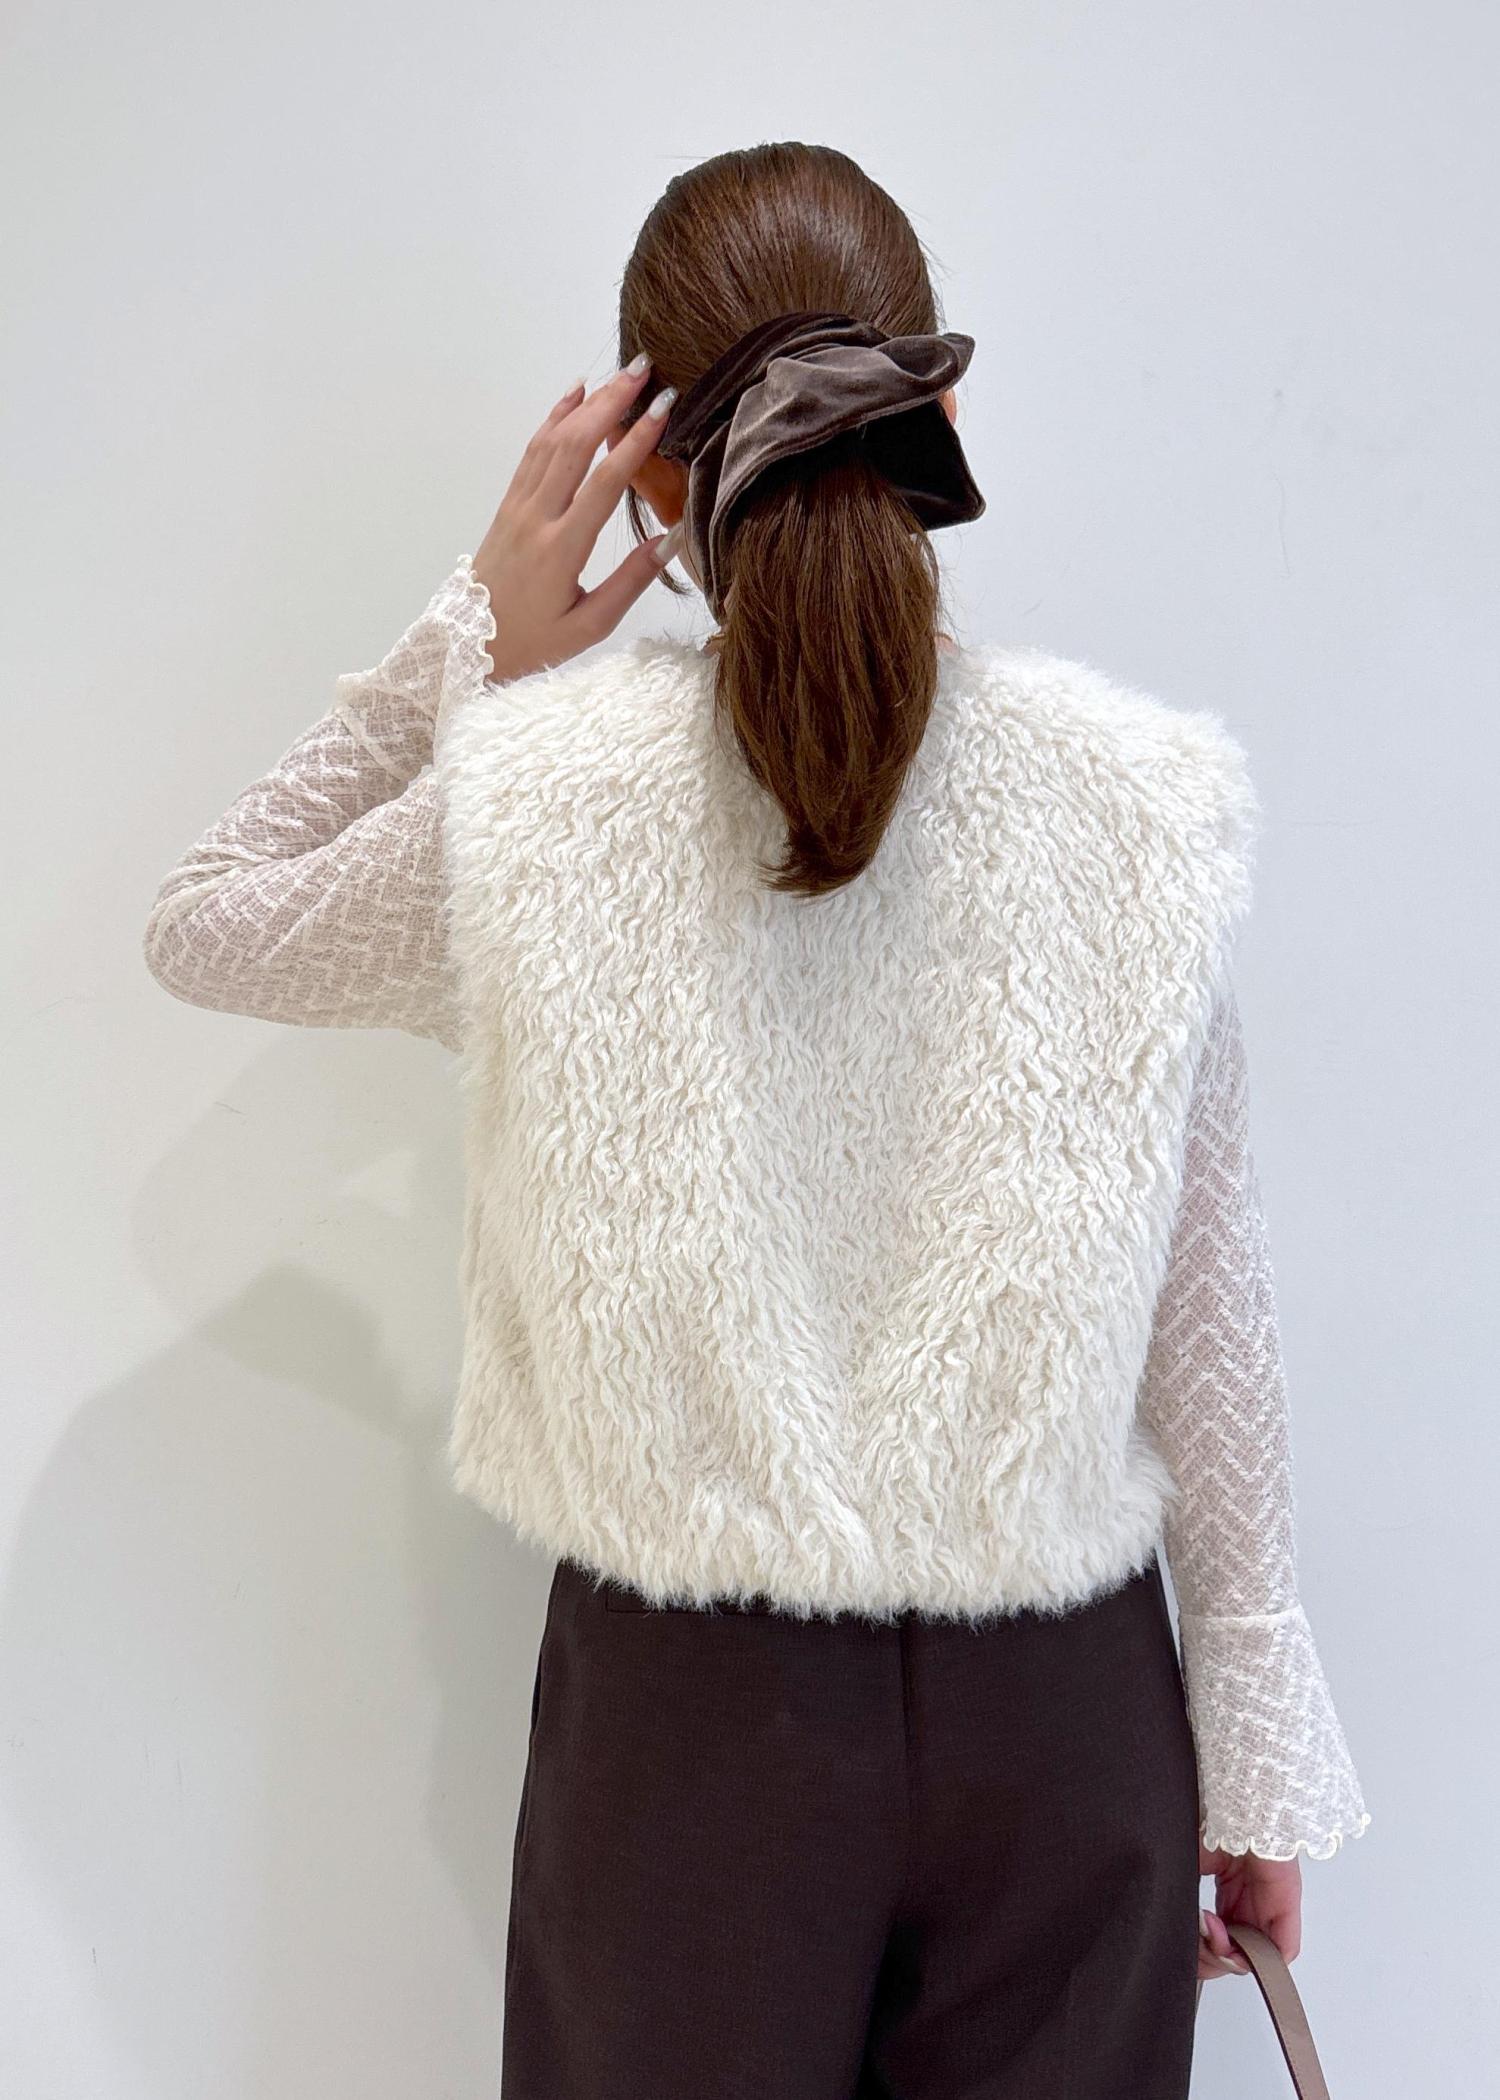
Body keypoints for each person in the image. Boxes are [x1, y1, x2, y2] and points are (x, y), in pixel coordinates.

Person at [143, 140, 1367, 2099]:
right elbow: (1206, 1319)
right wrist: (1256, 1747)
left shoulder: (546, 811)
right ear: (941, 418)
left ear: (649, 477)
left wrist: (476, 634)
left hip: (689, 1728)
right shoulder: (1138, 809)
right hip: (1068, 1714)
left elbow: (212, 920)